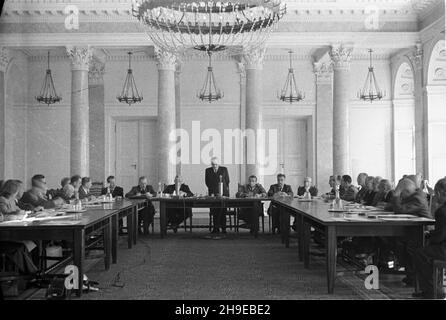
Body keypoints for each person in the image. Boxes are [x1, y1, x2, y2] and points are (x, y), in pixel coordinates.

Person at [412, 178, 446, 299]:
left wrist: (429, 236)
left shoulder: (442, 211)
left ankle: (431, 290)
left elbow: (439, 236)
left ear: (440, 193)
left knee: (420, 253)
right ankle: (435, 287)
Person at [0, 180, 39, 274]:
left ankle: (34, 274)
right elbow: (4, 214)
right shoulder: (2, 200)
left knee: (32, 242)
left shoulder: (12, 201)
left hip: (9, 233)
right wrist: (14, 215)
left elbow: (17, 211)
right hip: (4, 236)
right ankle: (34, 275)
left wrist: (22, 213)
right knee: (20, 246)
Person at [205, 157, 230, 234]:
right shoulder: (208, 170)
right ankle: (215, 228)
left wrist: (222, 192)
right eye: (213, 164)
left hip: (223, 194)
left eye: (216, 164)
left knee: (223, 211)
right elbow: (207, 182)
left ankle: (223, 228)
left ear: (218, 164)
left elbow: (227, 180)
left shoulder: (224, 169)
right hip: (213, 194)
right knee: (214, 211)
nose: (214, 166)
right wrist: (214, 191)